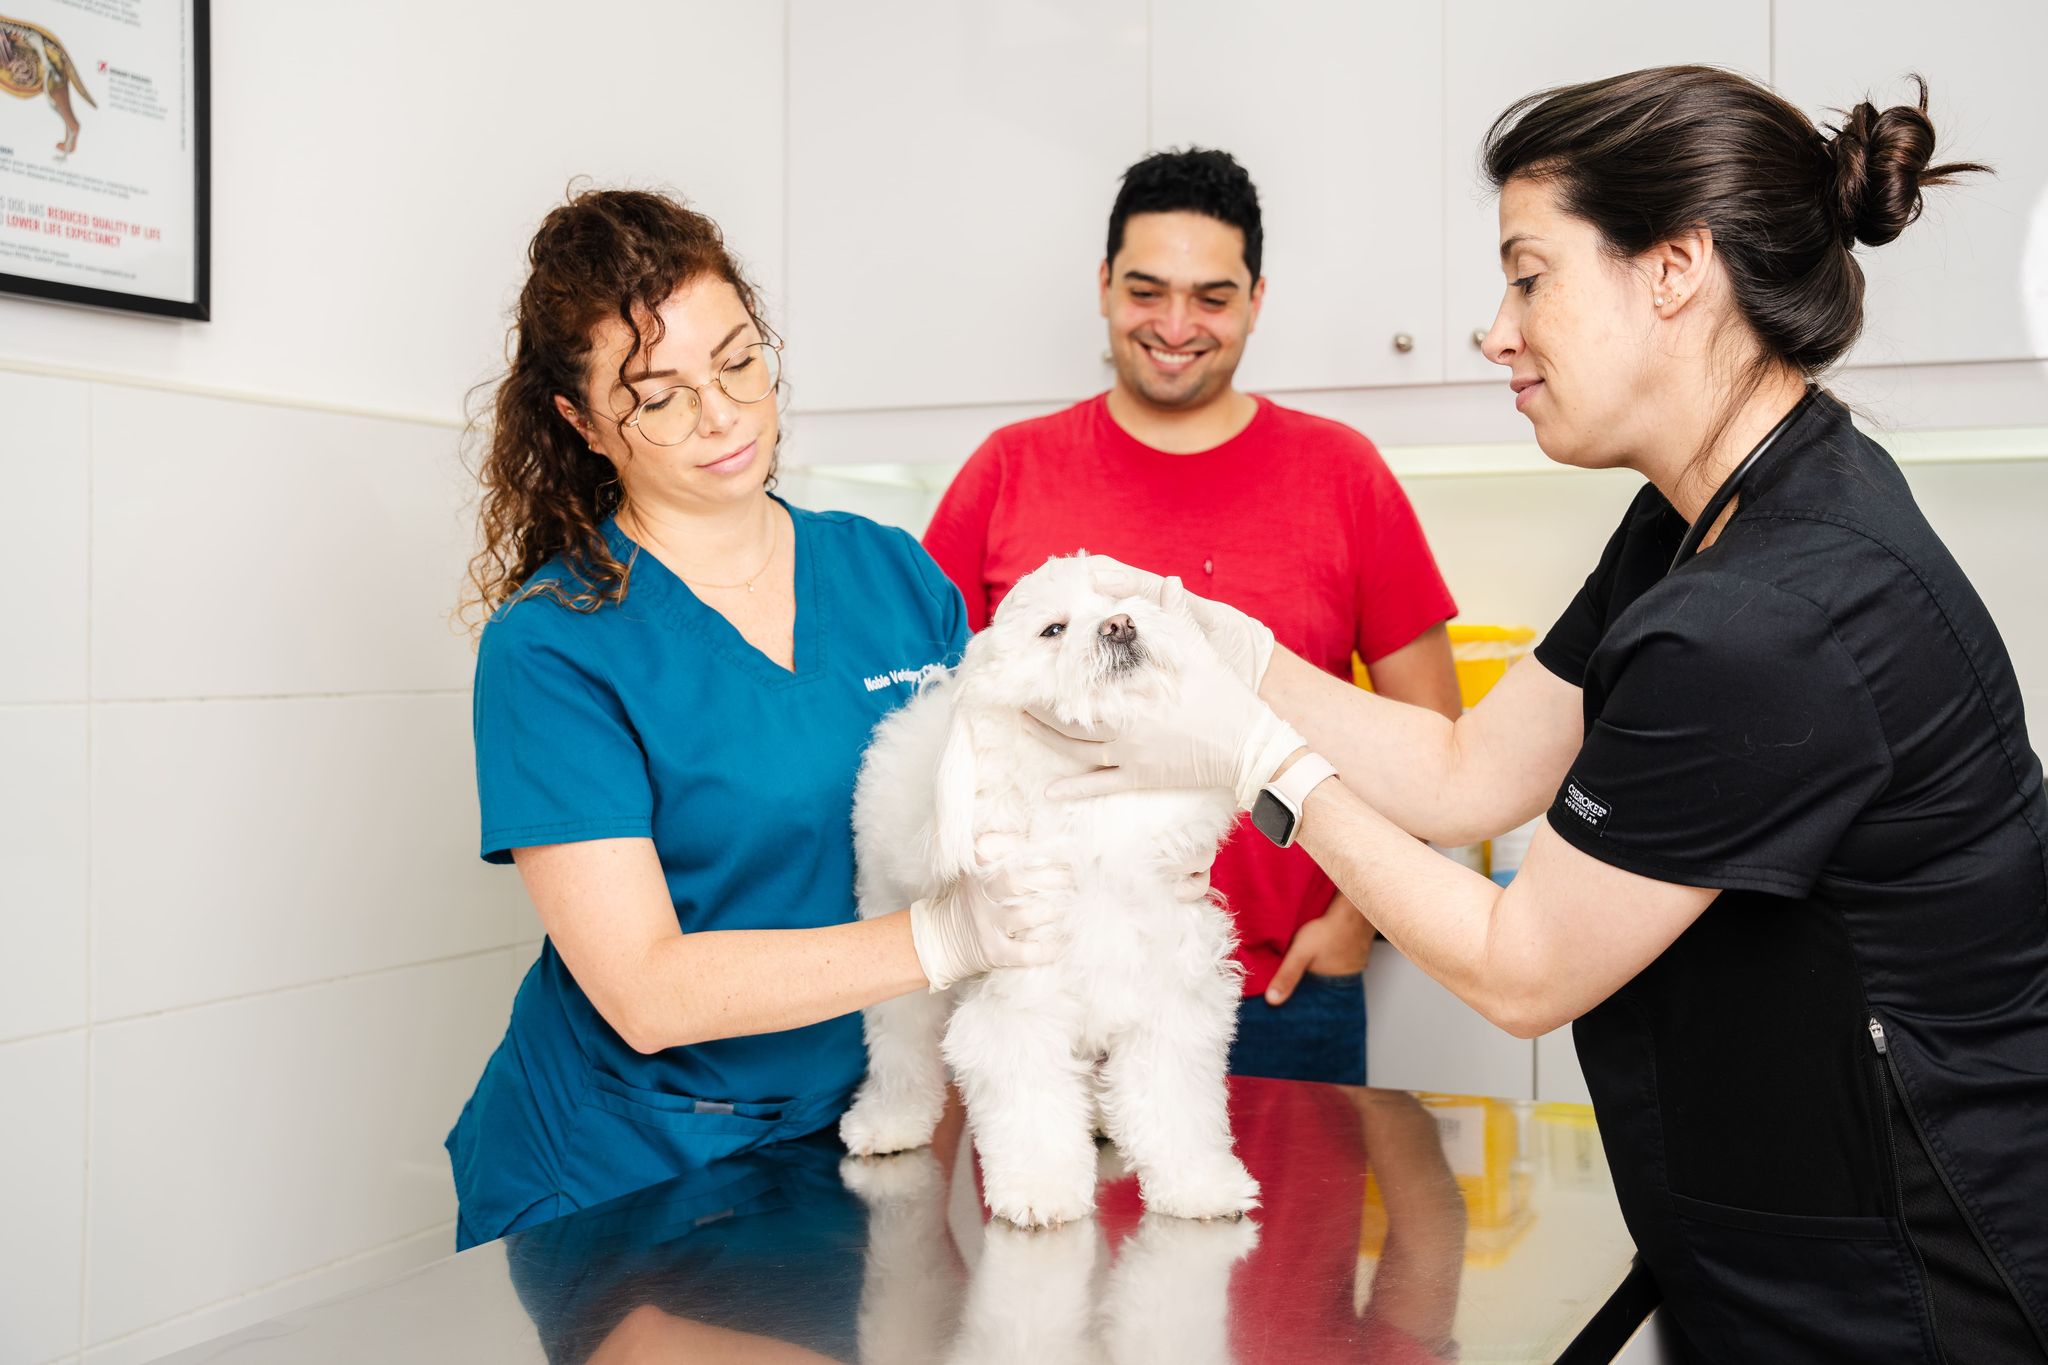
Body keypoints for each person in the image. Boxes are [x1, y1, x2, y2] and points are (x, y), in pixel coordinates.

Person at [1034, 68, 2048, 1362]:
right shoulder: (1703, 517)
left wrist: (1255, 761)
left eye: (1529, 275)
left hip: (1906, 1283)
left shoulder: (1778, 610)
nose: (1497, 330)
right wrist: (1235, 652)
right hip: (1778, 1235)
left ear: (1673, 269)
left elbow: (1521, 966)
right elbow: (1467, 771)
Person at [445, 188, 1065, 1250]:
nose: (721, 414)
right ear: (582, 422)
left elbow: (985, 815)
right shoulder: (553, 647)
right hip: (630, 1168)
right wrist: (943, 939)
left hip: (851, 1146)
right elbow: (646, 991)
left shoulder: (888, 573)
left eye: (737, 362)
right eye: (660, 395)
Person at [924, 148, 1461, 1086]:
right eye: (1146, 290)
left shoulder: (1344, 475)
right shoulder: (1006, 472)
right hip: (1054, 988)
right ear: (1102, 287)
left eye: (1212, 297)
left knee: (1297, 1238)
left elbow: (1436, 734)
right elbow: (929, 720)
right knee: (1044, 1226)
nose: (1176, 326)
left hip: (1289, 991)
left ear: (1257, 297)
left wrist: (1353, 926)